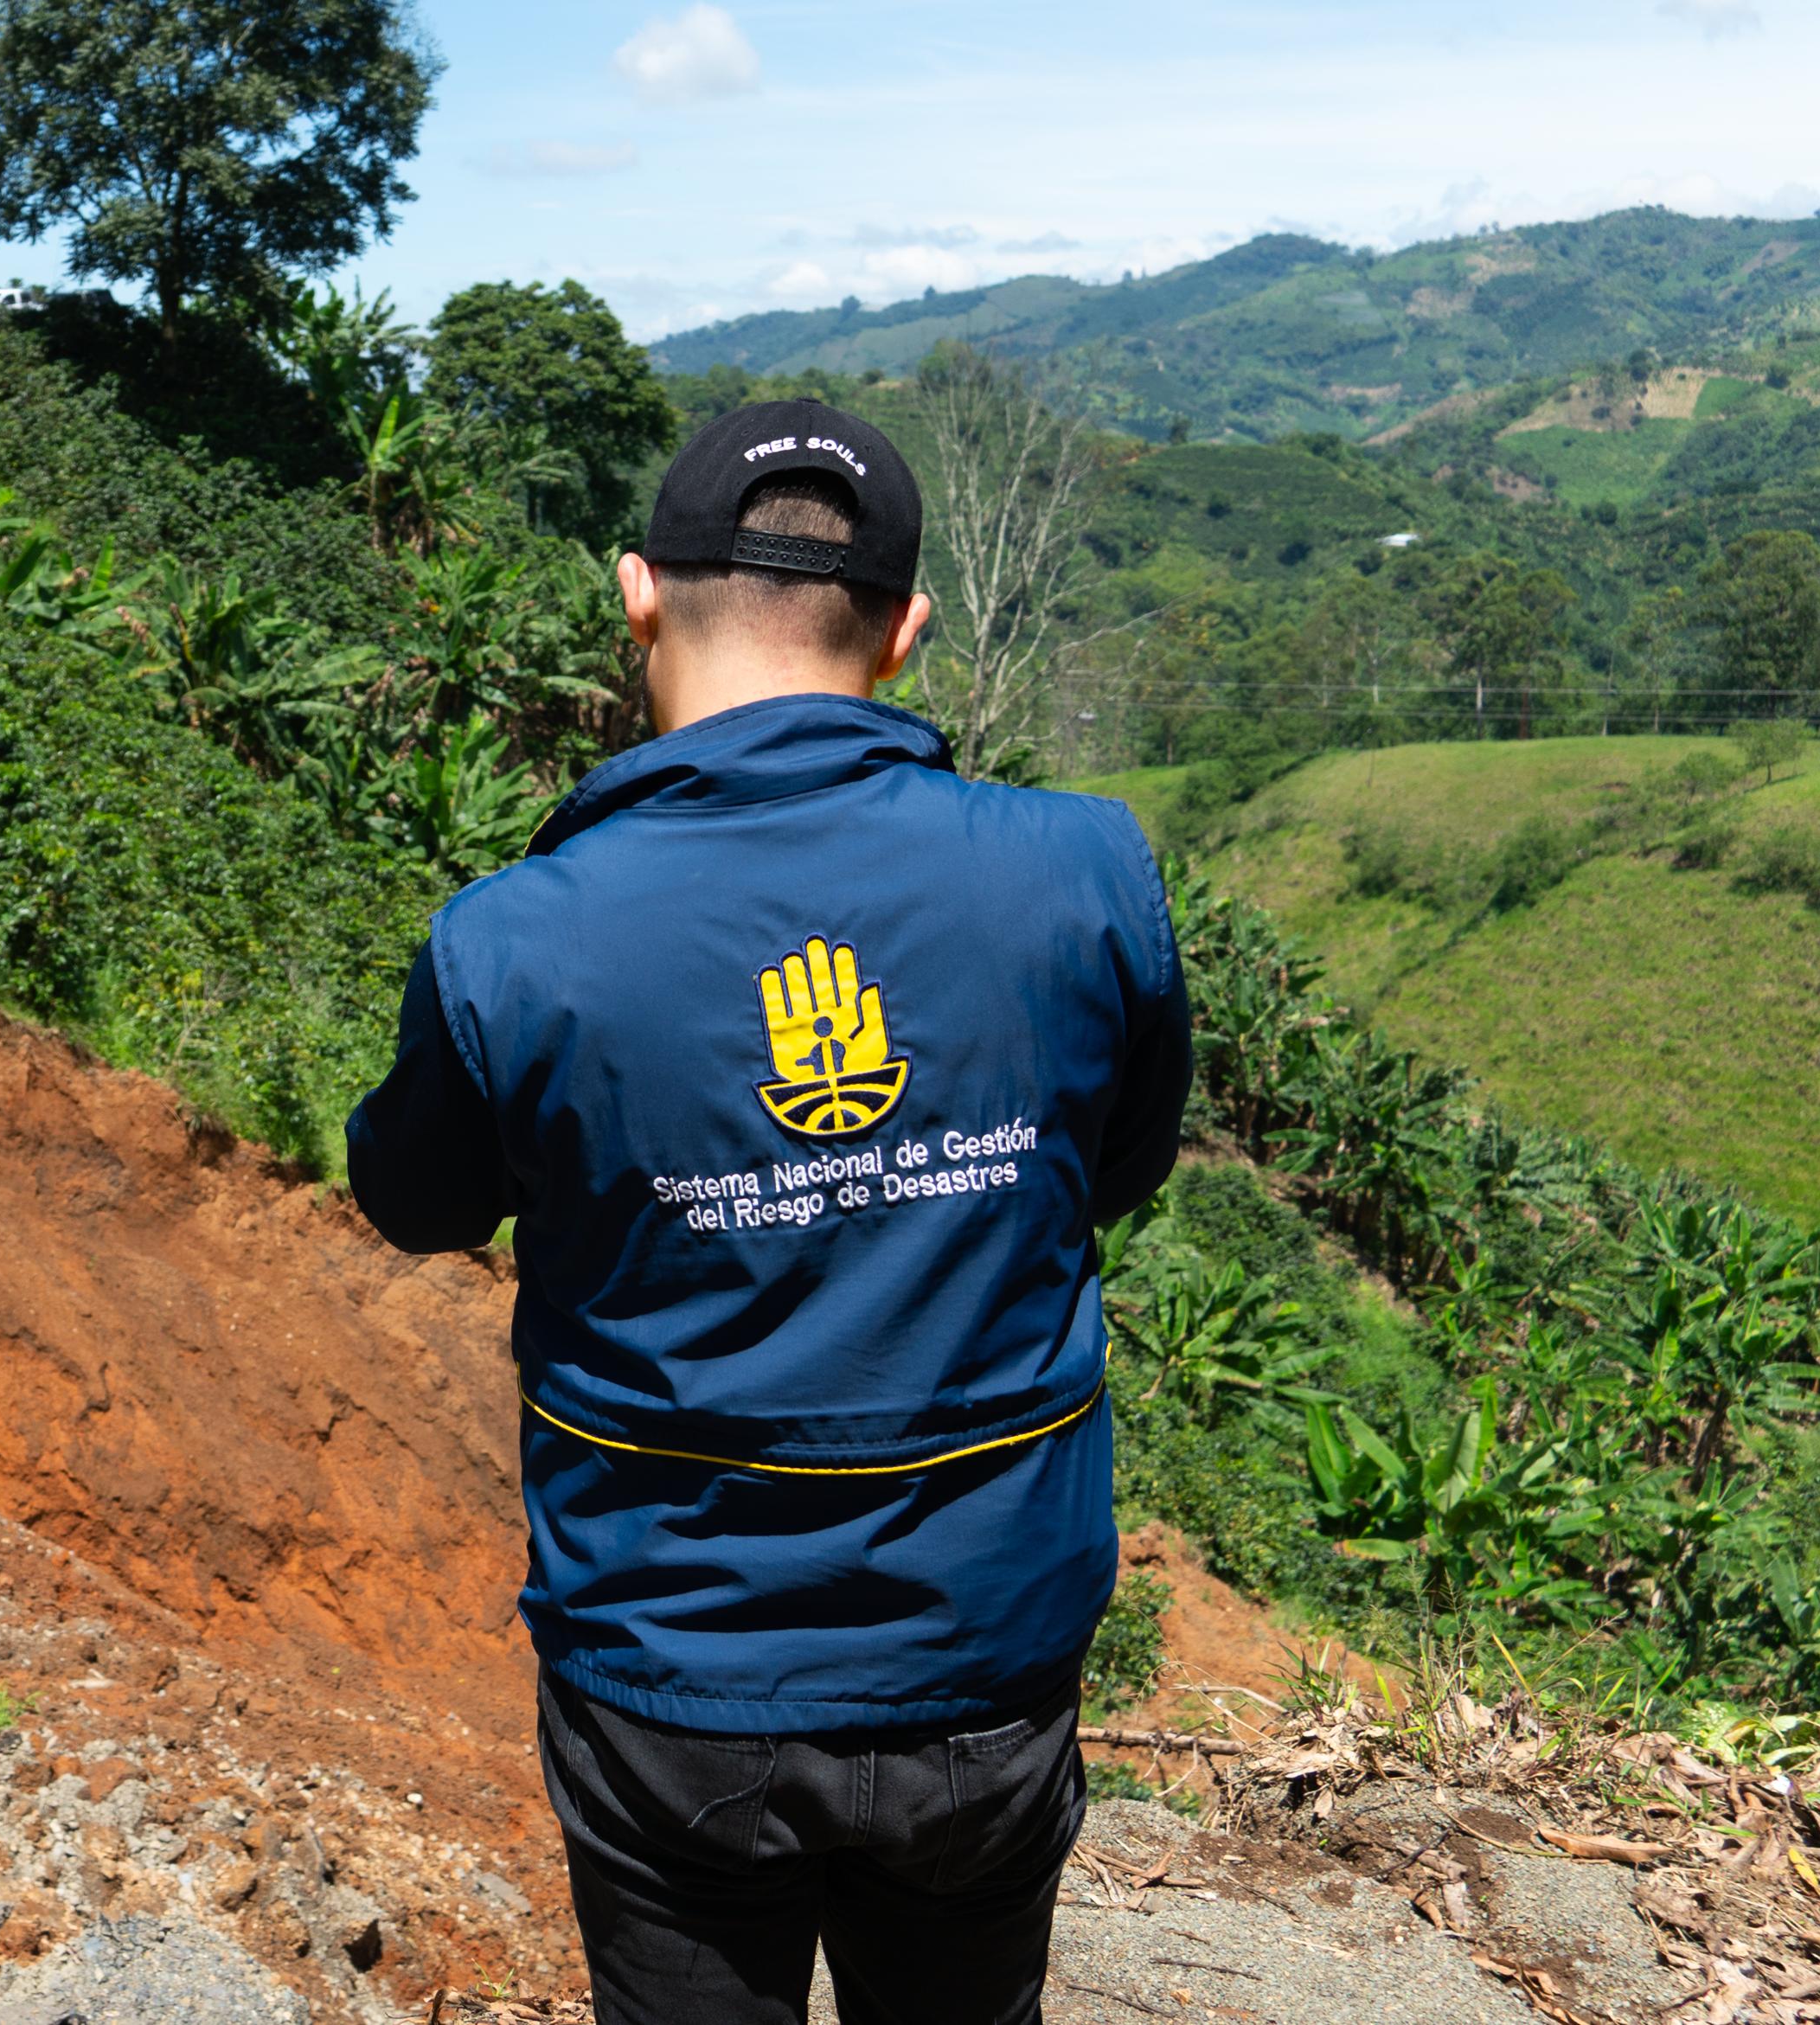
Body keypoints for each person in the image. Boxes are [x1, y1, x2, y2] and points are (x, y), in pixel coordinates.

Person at [343, 398, 1190, 2025]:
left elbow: (415, 1198)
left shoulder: (517, 940)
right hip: (984, 1666)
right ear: (909, 628)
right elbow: (1119, 1170)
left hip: (672, 1682)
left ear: (639, 591)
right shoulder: (1086, 872)